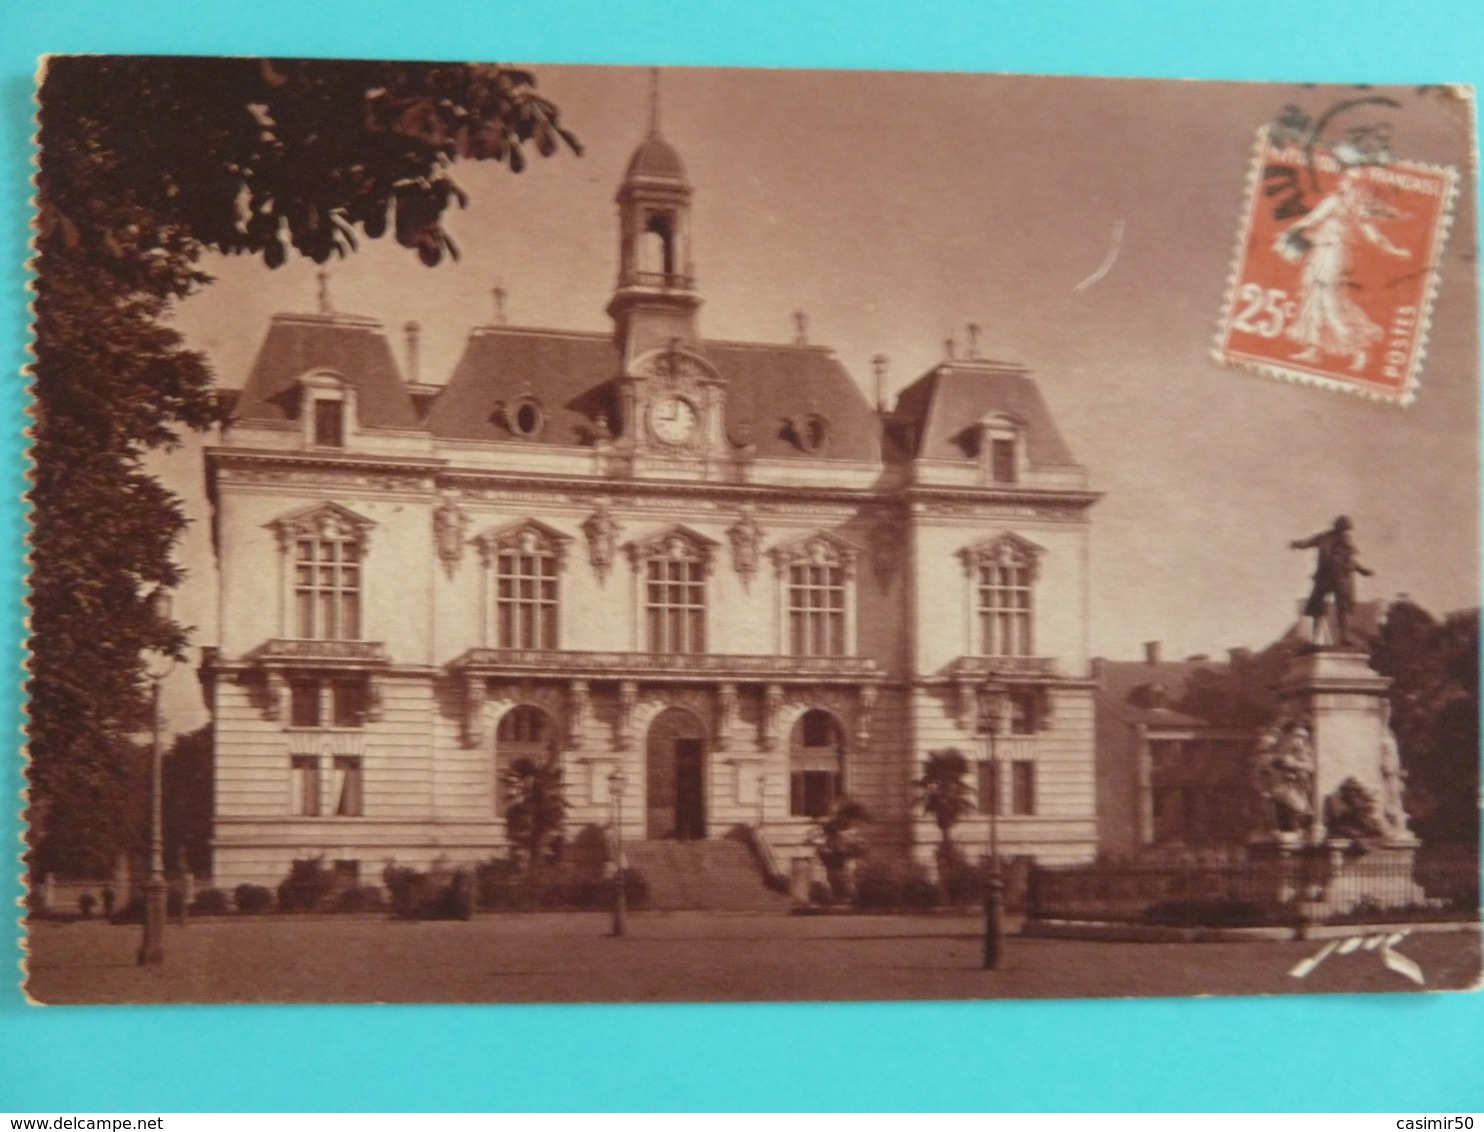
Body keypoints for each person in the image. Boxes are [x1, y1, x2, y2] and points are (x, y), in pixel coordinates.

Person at [1273, 167, 1411, 372]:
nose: (1345, 184)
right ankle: (1313, 350)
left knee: (1328, 300)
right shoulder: (1356, 208)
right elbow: (1373, 234)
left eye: (1350, 181)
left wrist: (1287, 233)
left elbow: (1311, 220)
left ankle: (1358, 348)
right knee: (1314, 297)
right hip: (1327, 254)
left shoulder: (1337, 203)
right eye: (1346, 180)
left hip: (1331, 255)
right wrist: (1394, 249)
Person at [1291, 515, 1373, 646]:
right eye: (1343, 528)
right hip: (1324, 577)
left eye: (1346, 529)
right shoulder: (1324, 537)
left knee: (1342, 608)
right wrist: (1297, 544)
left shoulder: (1347, 542)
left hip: (1341, 578)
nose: (1344, 531)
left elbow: (1351, 560)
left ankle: (1344, 637)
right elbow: (1308, 543)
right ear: (1337, 526)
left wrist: (1362, 570)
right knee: (1318, 608)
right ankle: (1315, 639)